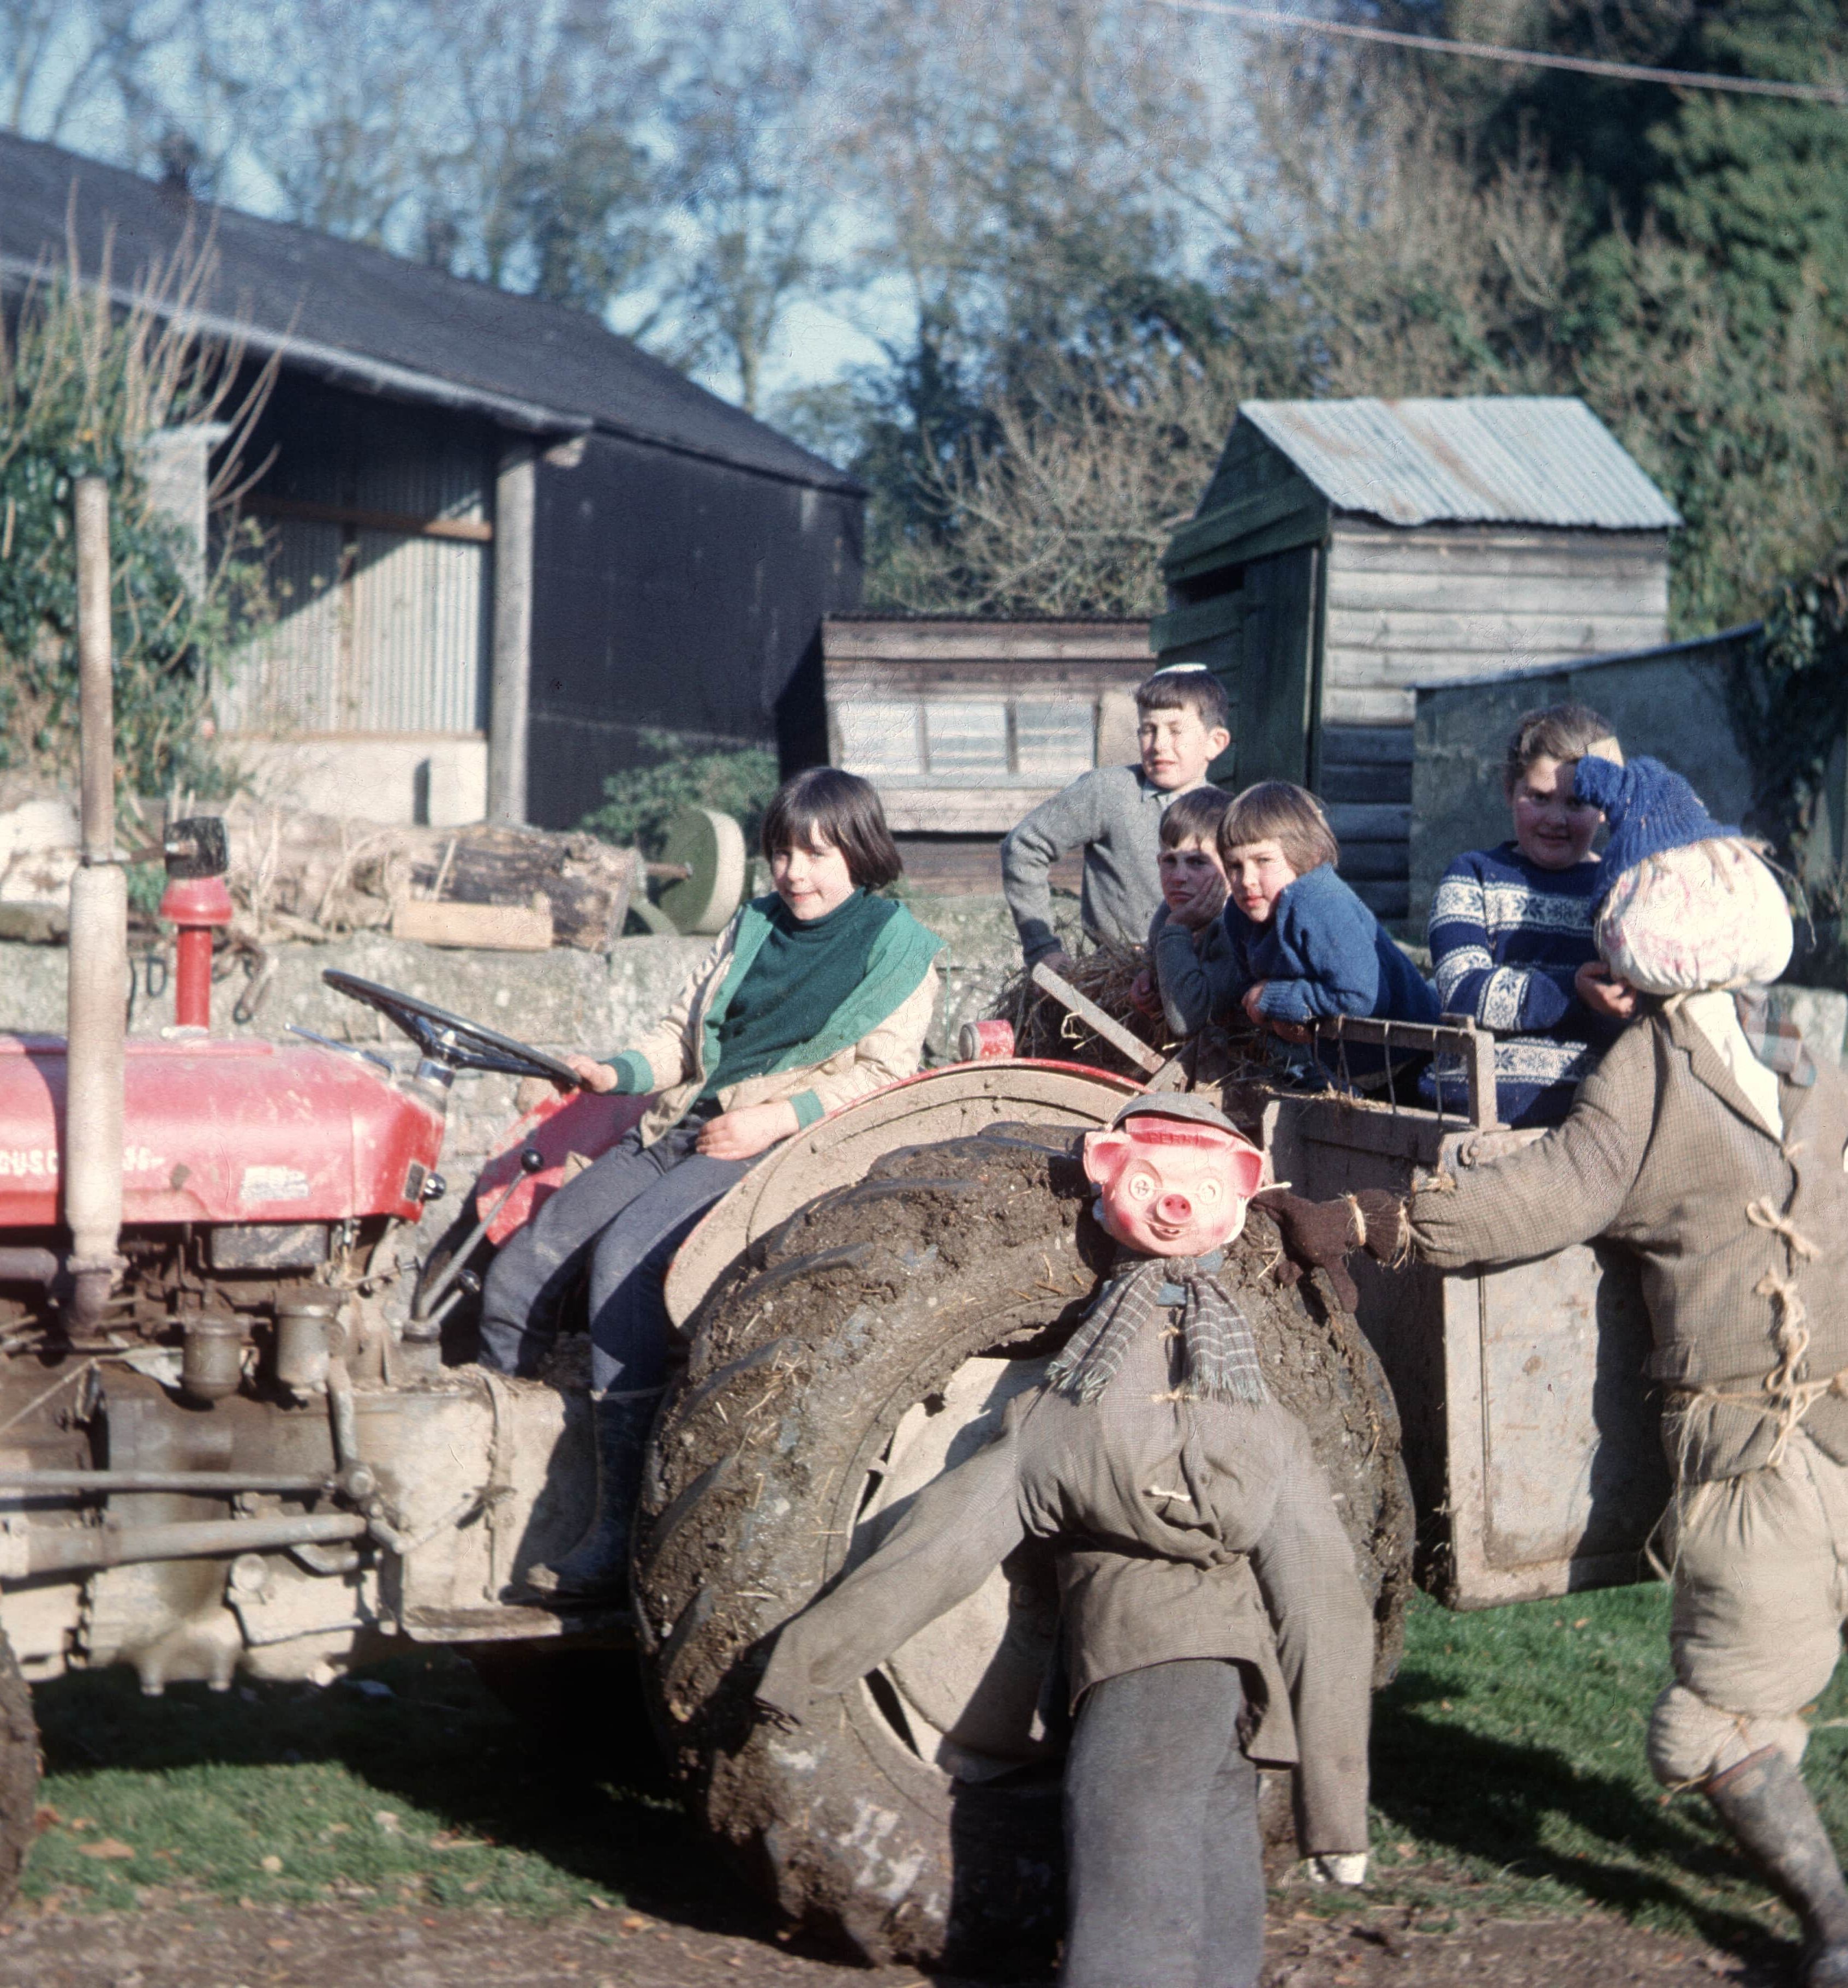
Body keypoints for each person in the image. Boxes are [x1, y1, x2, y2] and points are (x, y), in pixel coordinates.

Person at [757, 1095, 1378, 1988]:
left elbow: (939, 1545)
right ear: (1110, 1179)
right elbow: (1324, 1602)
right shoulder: (1265, 1423)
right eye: (1151, 1182)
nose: (1170, 1204)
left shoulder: (1065, 1419)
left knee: (1132, 1903)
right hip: (1241, 1690)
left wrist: (803, 1663)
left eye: (1192, 1187)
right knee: (1213, 1889)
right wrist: (1336, 1811)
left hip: (1139, 1671)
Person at [1406, 755, 1848, 1987]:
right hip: (1750, 1452)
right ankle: (1833, 1927)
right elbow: (1536, 1200)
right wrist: (1390, 1220)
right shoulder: (1642, 1075)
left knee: (1733, 1710)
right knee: (1719, 1716)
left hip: (1831, 1424)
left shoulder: (1817, 1036)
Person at [476, 768, 943, 1598]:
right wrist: (611, 1069)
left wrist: (771, 1119)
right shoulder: (753, 926)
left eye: (814, 852)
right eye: (780, 853)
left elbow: (880, 1080)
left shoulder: (898, 949)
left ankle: (617, 1527)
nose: (793, 873)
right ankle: (496, 1493)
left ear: (858, 851)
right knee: (528, 1259)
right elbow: (679, 1037)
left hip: (777, 1144)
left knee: (627, 1262)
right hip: (684, 1124)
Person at [1423, 705, 1635, 1126]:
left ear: (1605, 809)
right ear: (1509, 791)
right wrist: (1574, 992)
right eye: (1538, 797)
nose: (1555, 819)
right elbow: (1461, 992)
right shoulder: (1472, 877)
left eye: (1576, 803)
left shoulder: (1620, 892)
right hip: (1475, 1109)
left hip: (1587, 1115)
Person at [1002, 664, 1230, 973]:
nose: (1159, 744)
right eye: (1149, 730)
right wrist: (1042, 948)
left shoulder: (1231, 814)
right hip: (1118, 972)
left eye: (1176, 731)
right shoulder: (1111, 792)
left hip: (1205, 971)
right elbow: (1024, 846)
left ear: (1215, 743)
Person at [1219, 781, 1439, 1047]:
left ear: (1307, 856)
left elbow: (1360, 998)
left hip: (1413, 1055)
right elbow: (1250, 989)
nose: (1246, 880)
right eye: (1234, 865)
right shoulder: (1239, 913)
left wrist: (1274, 998)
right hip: (1343, 1066)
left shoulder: (1317, 900)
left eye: (1263, 861)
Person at [1132, 784, 1234, 1037]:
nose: (1178, 877)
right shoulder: (1168, 913)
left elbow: (1185, 1020)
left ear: (1233, 866)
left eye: (1197, 862)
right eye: (1169, 861)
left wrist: (1177, 929)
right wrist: (1150, 982)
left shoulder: (1235, 926)